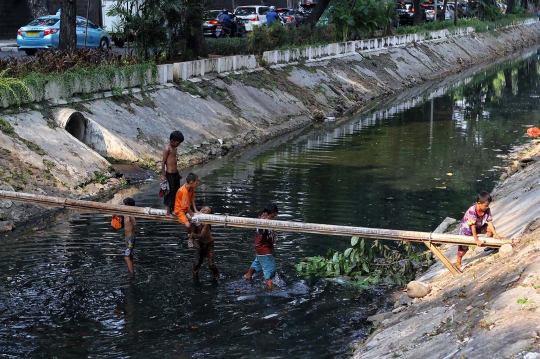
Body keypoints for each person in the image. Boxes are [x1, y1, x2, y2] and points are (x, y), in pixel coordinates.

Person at [456, 191, 503, 270]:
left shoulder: (487, 210)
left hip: (479, 226)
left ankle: (490, 246)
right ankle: (458, 264)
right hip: (467, 230)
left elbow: (490, 222)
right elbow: (472, 227)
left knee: (490, 228)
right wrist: (476, 240)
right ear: (479, 203)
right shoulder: (472, 211)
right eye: (485, 205)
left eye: (488, 205)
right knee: (463, 247)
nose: (487, 207)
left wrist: (496, 235)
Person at [244, 202, 279, 289]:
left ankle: (248, 276)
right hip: (264, 250)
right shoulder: (261, 222)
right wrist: (262, 224)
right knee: (270, 271)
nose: (273, 218)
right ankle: (270, 288)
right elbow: (260, 232)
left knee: (258, 262)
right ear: (266, 214)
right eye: (272, 216)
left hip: (263, 250)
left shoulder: (269, 222)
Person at [190, 206, 219, 281]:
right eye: (203, 208)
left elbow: (202, 235)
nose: (203, 210)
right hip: (200, 243)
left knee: (211, 264)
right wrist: (191, 239)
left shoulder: (207, 222)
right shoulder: (195, 219)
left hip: (209, 244)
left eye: (206, 210)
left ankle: (216, 277)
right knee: (196, 264)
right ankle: (195, 279)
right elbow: (191, 231)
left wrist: (193, 235)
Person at [161, 130, 185, 219]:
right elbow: (163, 162)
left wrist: (178, 173)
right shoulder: (167, 149)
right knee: (170, 193)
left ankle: (174, 210)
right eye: (178, 143)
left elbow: (174, 162)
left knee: (176, 192)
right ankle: (168, 212)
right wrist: (163, 175)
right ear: (172, 141)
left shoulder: (175, 148)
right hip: (169, 174)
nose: (178, 145)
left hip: (174, 174)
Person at [174, 172, 200, 247]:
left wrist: (195, 210)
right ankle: (190, 236)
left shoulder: (191, 188)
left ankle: (192, 238)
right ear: (191, 182)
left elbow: (192, 199)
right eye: (196, 182)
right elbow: (187, 208)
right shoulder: (184, 191)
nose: (197, 184)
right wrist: (193, 217)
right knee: (188, 225)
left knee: (193, 222)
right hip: (180, 210)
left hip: (186, 208)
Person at [122, 197, 137, 274]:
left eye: (123, 204)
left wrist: (129, 214)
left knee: (126, 257)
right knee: (130, 256)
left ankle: (131, 274)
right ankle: (132, 271)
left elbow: (135, 223)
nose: (122, 205)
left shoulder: (130, 214)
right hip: (127, 238)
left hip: (131, 238)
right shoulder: (124, 215)